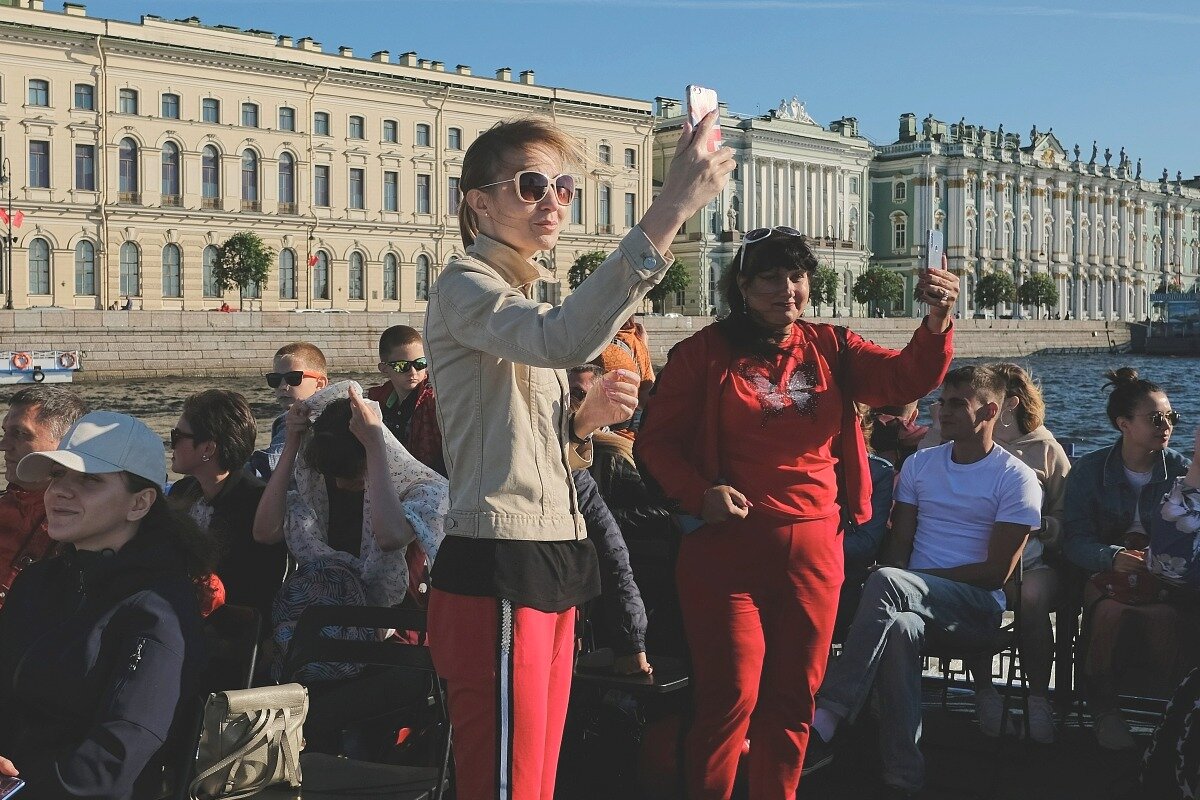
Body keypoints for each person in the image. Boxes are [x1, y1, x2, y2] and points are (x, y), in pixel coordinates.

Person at [424, 111, 732, 800]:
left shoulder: (514, 297)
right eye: (532, 184)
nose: (553, 201)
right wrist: (673, 205)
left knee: (533, 778)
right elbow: (564, 338)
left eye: (564, 187)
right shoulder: (464, 283)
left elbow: (525, 440)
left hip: (551, 552)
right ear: (479, 202)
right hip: (499, 559)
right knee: (503, 781)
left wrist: (580, 427)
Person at [635, 227, 958, 800]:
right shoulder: (702, 354)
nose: (787, 288)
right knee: (730, 696)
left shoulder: (832, 345)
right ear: (741, 284)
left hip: (814, 554)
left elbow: (904, 378)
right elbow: (654, 445)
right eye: (770, 277)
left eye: (798, 276)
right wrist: (698, 494)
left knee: (794, 701)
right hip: (725, 553)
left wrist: (935, 322)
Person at [805, 366, 1042, 798]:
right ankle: (904, 778)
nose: (942, 411)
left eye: (957, 404)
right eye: (941, 401)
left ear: (989, 411)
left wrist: (908, 580)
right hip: (910, 603)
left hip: (976, 609)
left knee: (890, 582)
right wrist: (903, 580)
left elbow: (996, 574)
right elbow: (899, 547)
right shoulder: (919, 466)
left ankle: (831, 710)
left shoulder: (1016, 478)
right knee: (898, 628)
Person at [0, 411, 215, 800]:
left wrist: (20, 788)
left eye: (89, 480)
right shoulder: (38, 583)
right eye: (57, 476)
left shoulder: (158, 607)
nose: (60, 491)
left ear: (140, 503)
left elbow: (119, 753)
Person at [1063, 368, 1191, 750]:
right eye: (1155, 418)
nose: (1166, 425)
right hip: (1105, 570)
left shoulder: (1182, 471)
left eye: (1171, 417)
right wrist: (1112, 556)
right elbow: (1074, 540)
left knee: (1166, 616)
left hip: (1166, 575)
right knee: (1110, 611)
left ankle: (1174, 712)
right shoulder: (1089, 470)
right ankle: (1105, 711)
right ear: (1123, 424)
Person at [963, 363, 1072, 744]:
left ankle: (1039, 698)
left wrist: (1043, 525)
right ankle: (984, 692)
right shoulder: (961, 443)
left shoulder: (1045, 448)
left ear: (1006, 404)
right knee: (979, 596)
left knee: (1031, 597)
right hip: (975, 556)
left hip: (1032, 561)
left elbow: (1064, 514)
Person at [168, 389, 287, 626]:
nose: (171, 444)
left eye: (177, 436)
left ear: (208, 449)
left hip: (229, 631)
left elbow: (257, 590)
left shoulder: (257, 502)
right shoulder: (184, 491)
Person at [0, 387, 89, 610]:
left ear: (66, 442)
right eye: (5, 432)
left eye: (20, 434)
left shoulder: (91, 523)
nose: (3, 445)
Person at [367, 325, 444, 477]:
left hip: (433, 485)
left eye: (420, 363)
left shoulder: (435, 400)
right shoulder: (376, 402)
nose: (413, 372)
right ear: (384, 369)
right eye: (403, 366)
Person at [246, 342, 329, 480]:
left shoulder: (297, 418)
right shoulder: (335, 410)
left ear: (320, 384)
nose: (283, 386)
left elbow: (269, 465)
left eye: (293, 378)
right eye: (275, 380)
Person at [592, 315, 655, 438]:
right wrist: (644, 348)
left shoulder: (604, 349)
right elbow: (648, 399)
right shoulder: (633, 336)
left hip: (607, 441)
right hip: (622, 441)